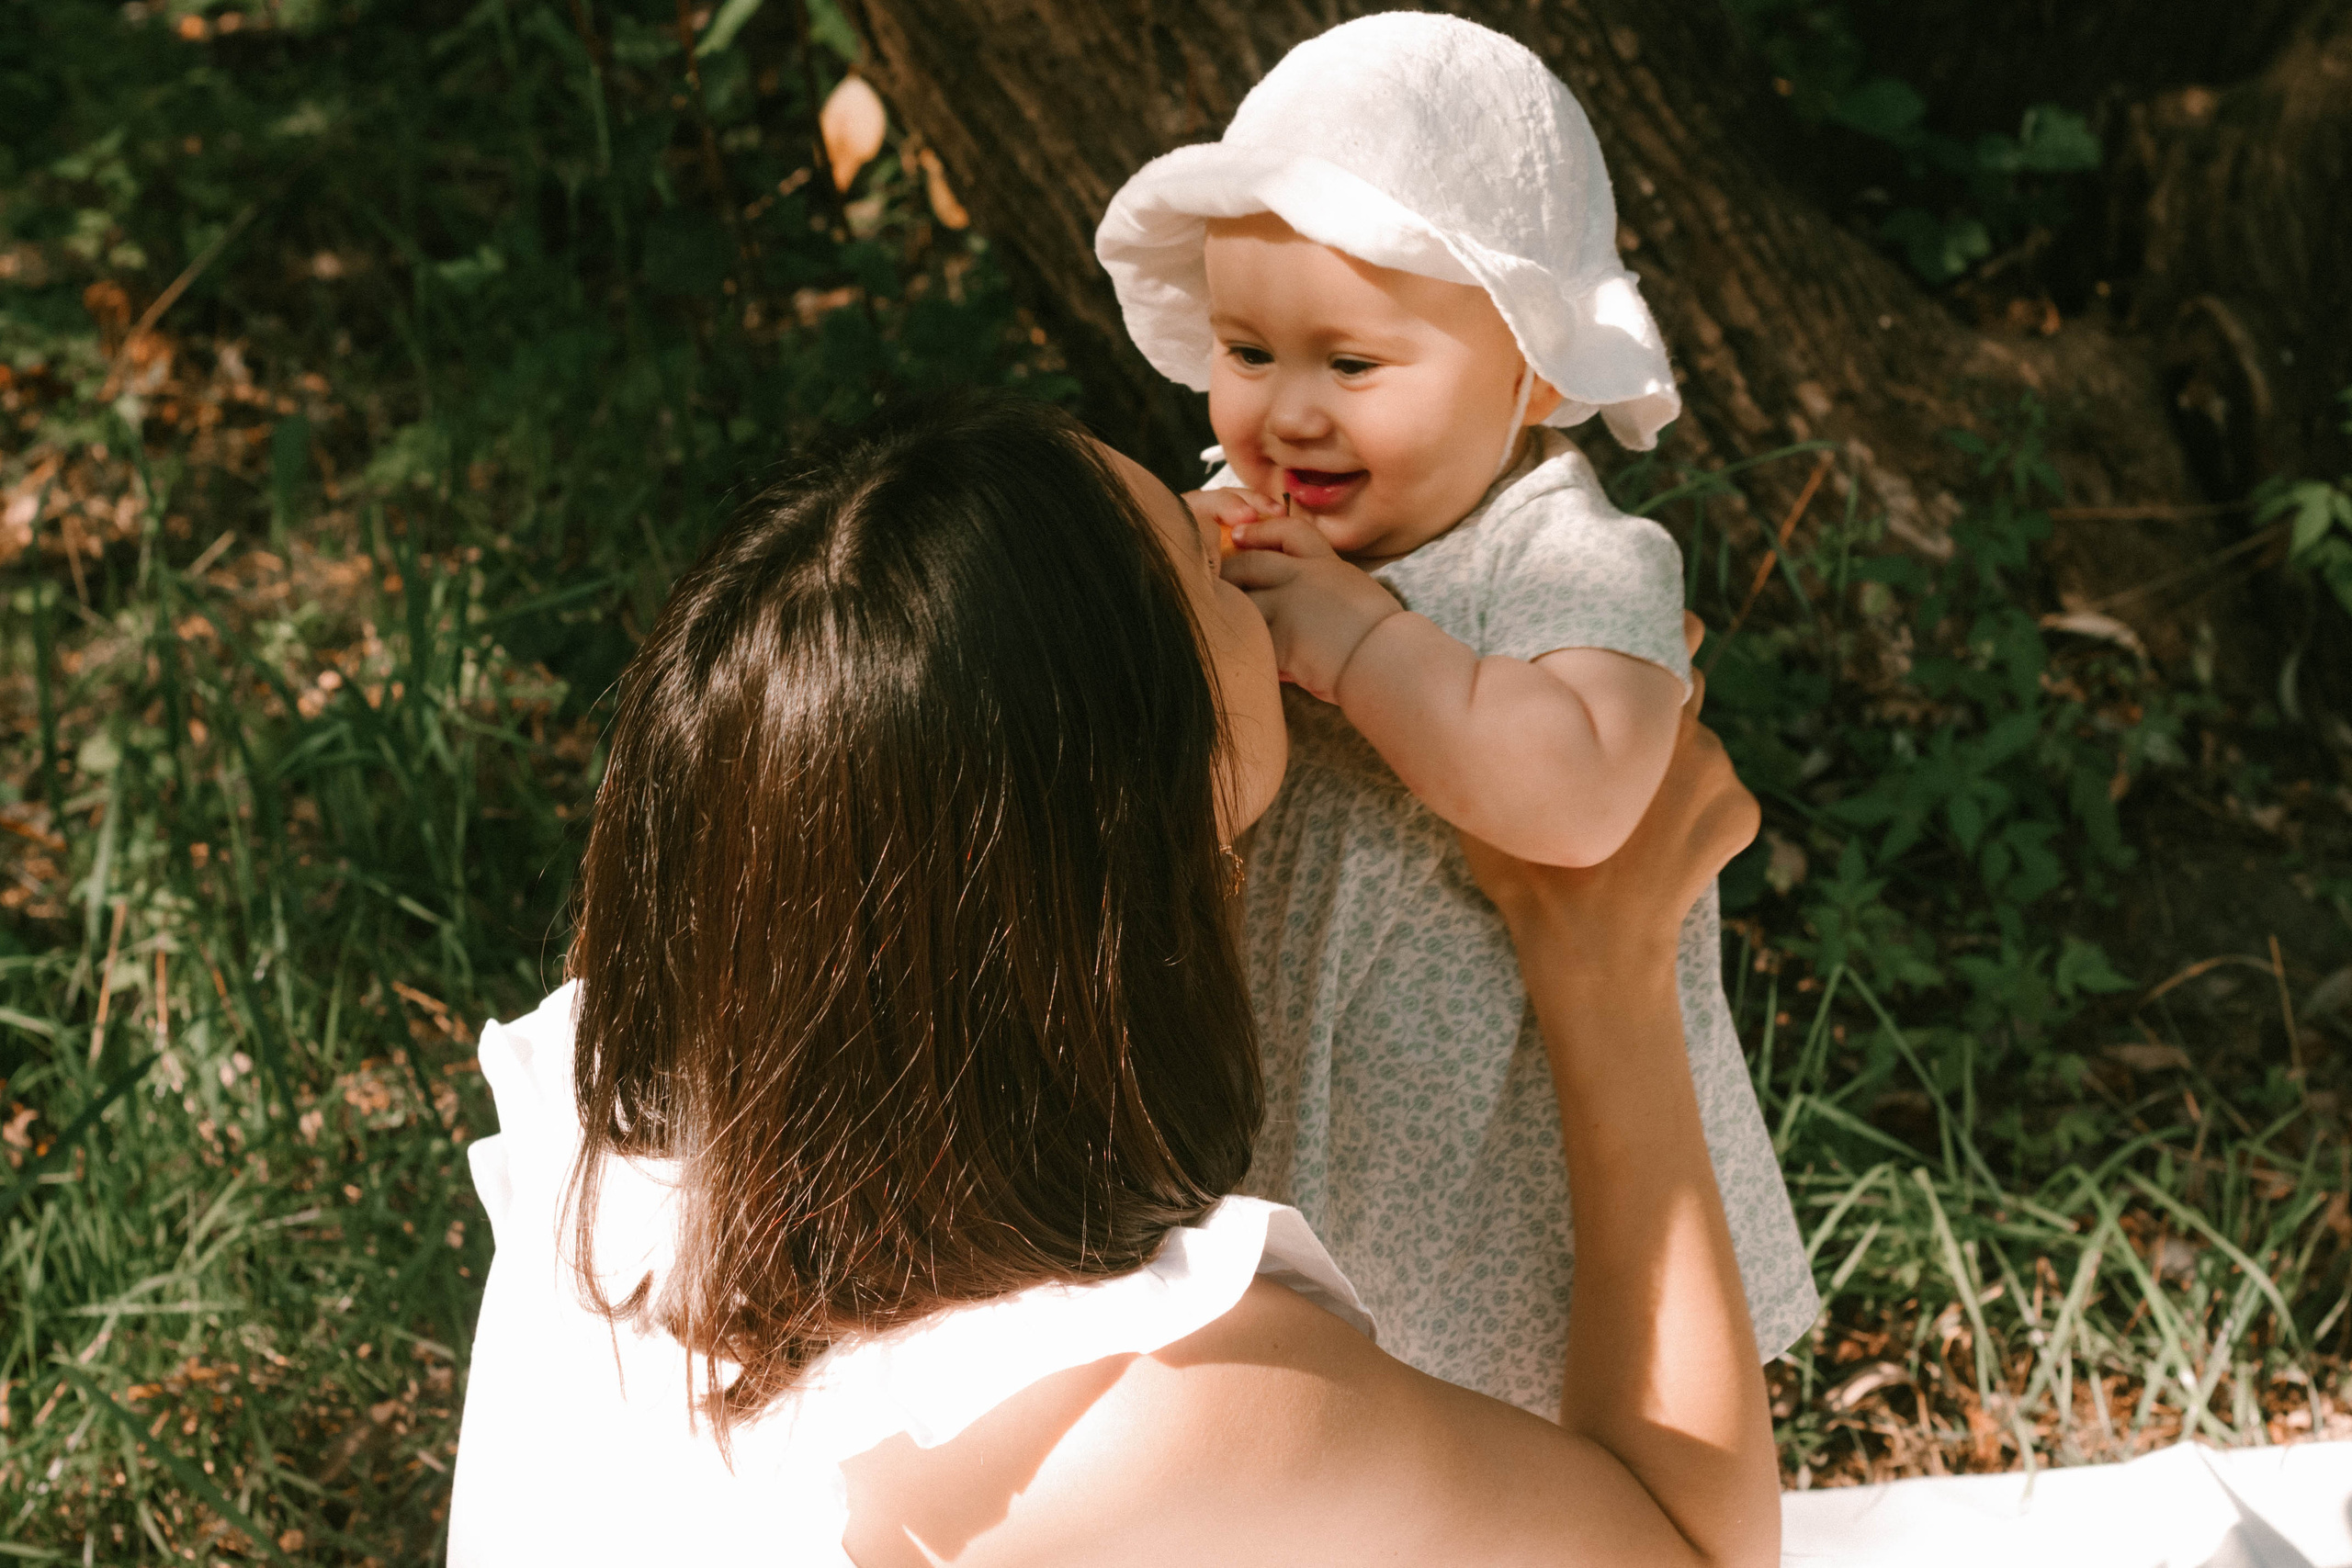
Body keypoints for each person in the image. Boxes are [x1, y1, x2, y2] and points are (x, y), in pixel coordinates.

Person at [447, 393, 1780, 1565]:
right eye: (1209, 563)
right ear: (1165, 790)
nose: (1233, 520)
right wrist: (1606, 964)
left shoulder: (606, 1106)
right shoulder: (1156, 1408)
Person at [1093, 11, 1816, 1413]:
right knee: (1293, 1400)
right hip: (1290, 1075)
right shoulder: (1242, 529)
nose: (1287, 413)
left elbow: (1588, 796)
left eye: (1351, 367)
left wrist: (1367, 646)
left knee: (1509, 1430)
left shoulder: (1568, 557)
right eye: (1247, 352)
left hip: (1503, 1143)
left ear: (1534, 373)